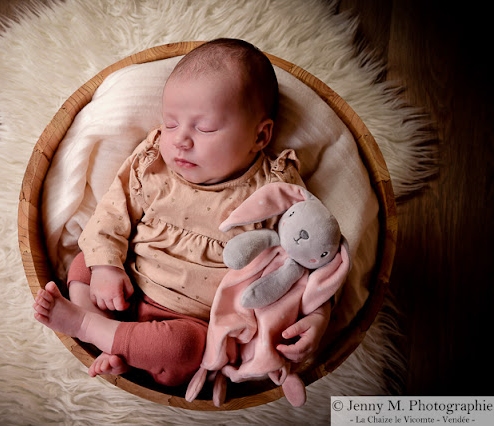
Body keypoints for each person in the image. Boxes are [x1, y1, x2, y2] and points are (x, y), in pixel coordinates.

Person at [33, 39, 332, 388]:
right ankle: (105, 332)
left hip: (187, 320)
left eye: (204, 128)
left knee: (185, 347)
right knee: (85, 259)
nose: (180, 141)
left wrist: (319, 314)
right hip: (123, 286)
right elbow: (112, 212)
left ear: (260, 135)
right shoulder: (154, 164)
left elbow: (312, 248)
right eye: (171, 124)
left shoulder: (274, 188)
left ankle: (88, 329)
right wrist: (106, 267)